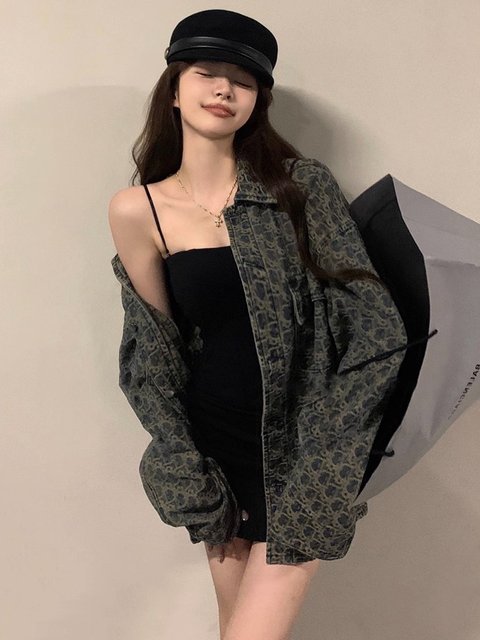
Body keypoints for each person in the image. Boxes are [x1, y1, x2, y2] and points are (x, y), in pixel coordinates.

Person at [108, 9, 405, 640]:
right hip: (216, 451)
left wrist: (331, 453)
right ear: (174, 90)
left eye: (242, 81)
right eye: (206, 73)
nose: (223, 89)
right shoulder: (138, 210)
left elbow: (375, 328)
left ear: (256, 102)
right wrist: (186, 462)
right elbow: (155, 354)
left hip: (306, 448)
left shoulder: (299, 188)